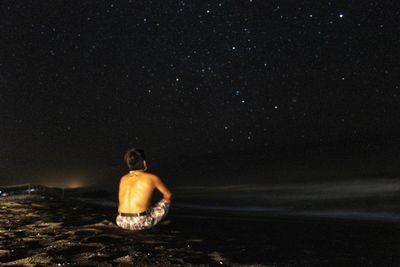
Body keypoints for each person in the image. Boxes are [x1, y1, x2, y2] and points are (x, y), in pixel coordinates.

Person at [116, 148, 172, 230]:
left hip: (121, 221)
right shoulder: (152, 178)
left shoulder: (123, 178)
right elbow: (168, 195)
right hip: (140, 222)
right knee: (167, 199)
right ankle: (155, 222)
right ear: (144, 162)